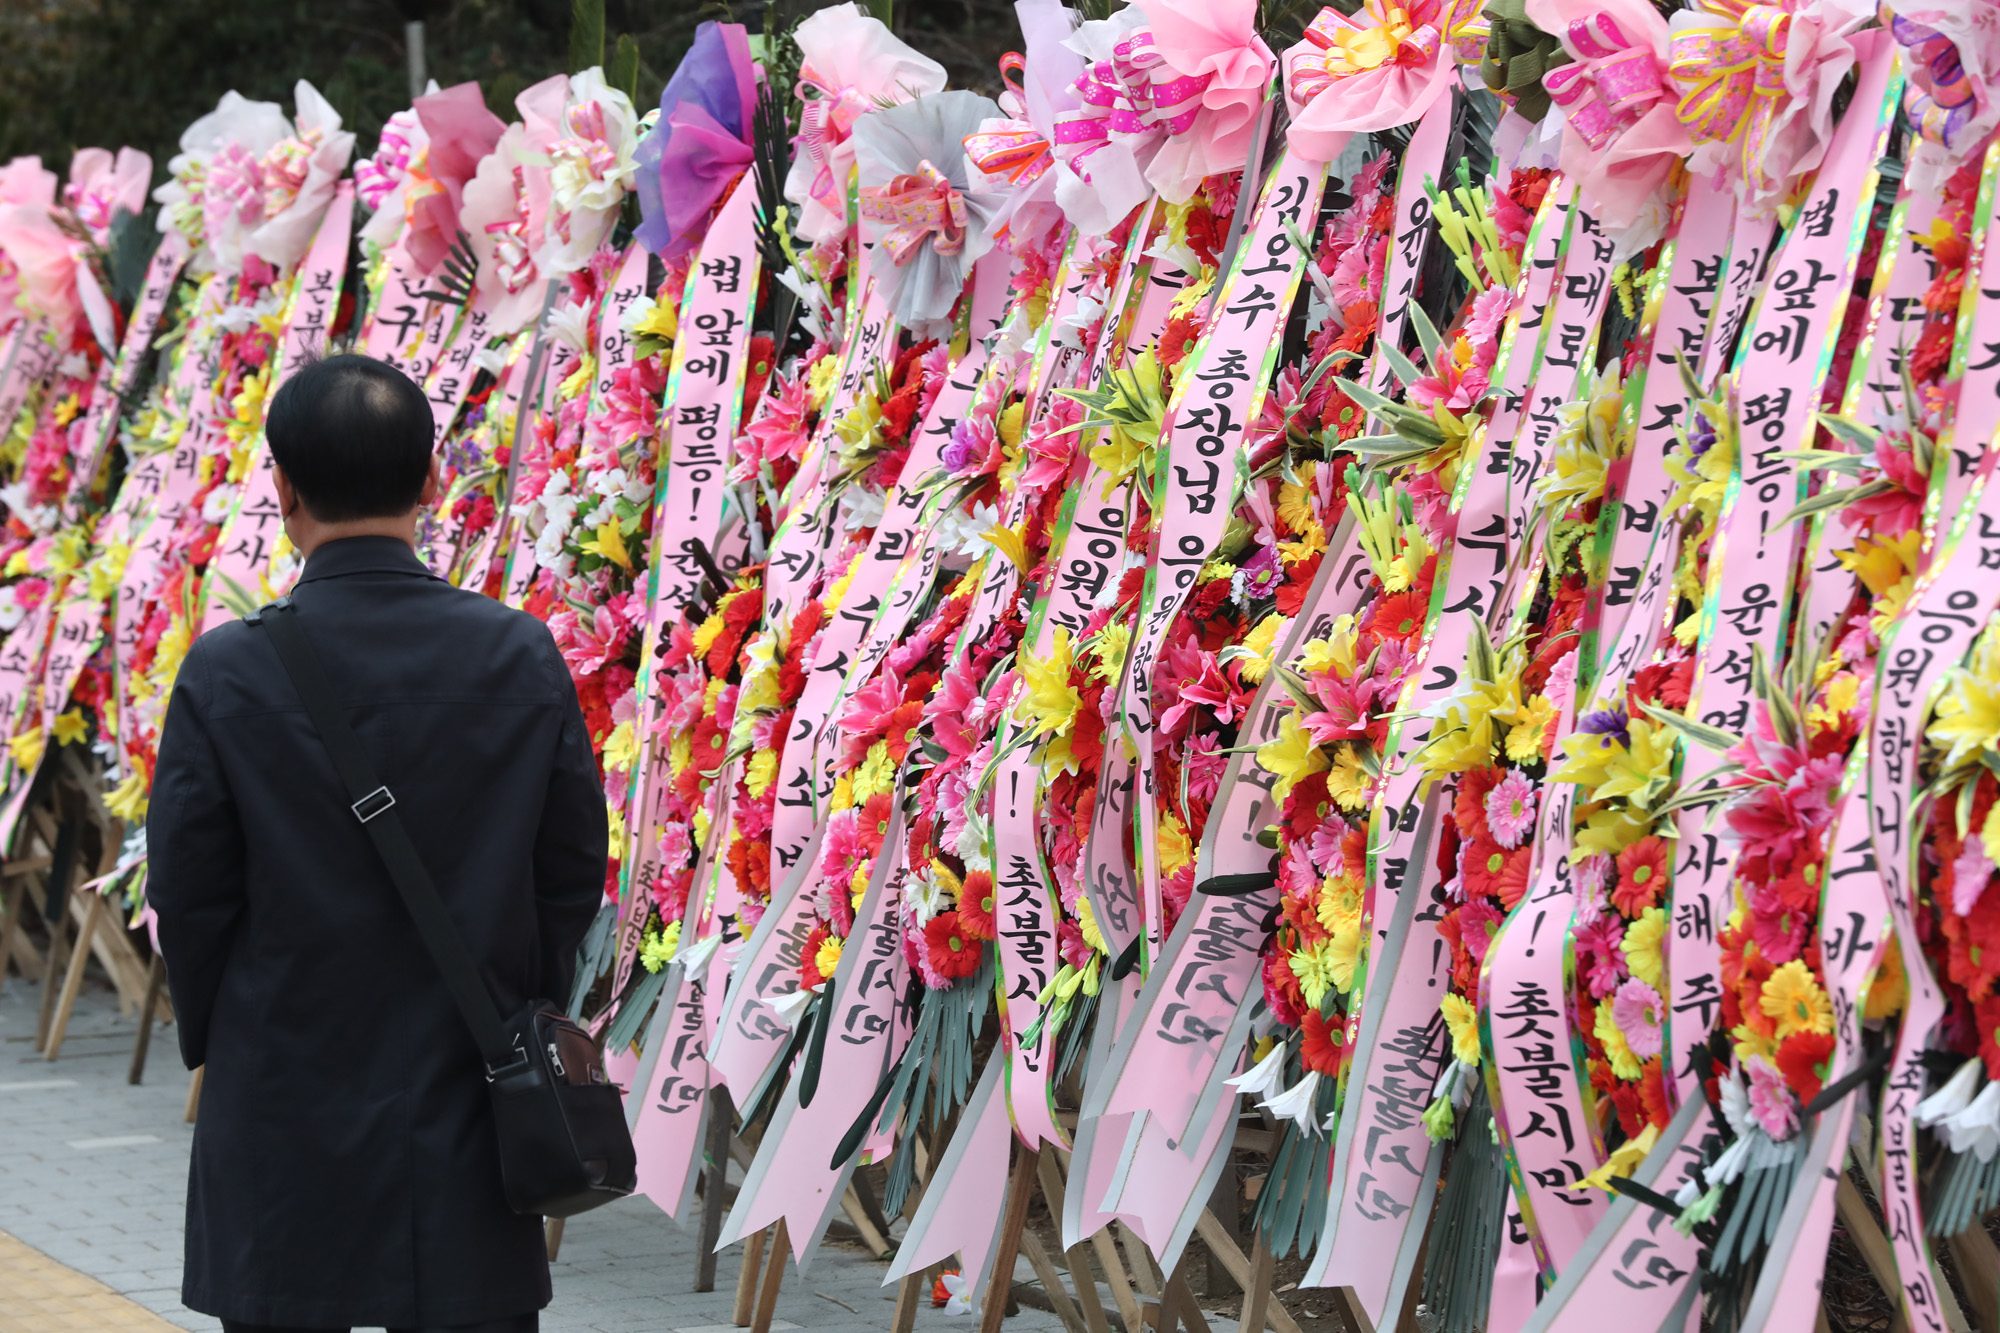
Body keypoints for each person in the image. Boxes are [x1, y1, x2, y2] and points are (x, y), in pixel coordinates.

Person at [148, 353, 608, 1333]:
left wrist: (222, 1036)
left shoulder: (229, 671)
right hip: (471, 1079)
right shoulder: (517, 652)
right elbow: (570, 869)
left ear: (282, 488)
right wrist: (520, 1000)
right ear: (432, 478)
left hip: (281, 1088)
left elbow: (187, 894)